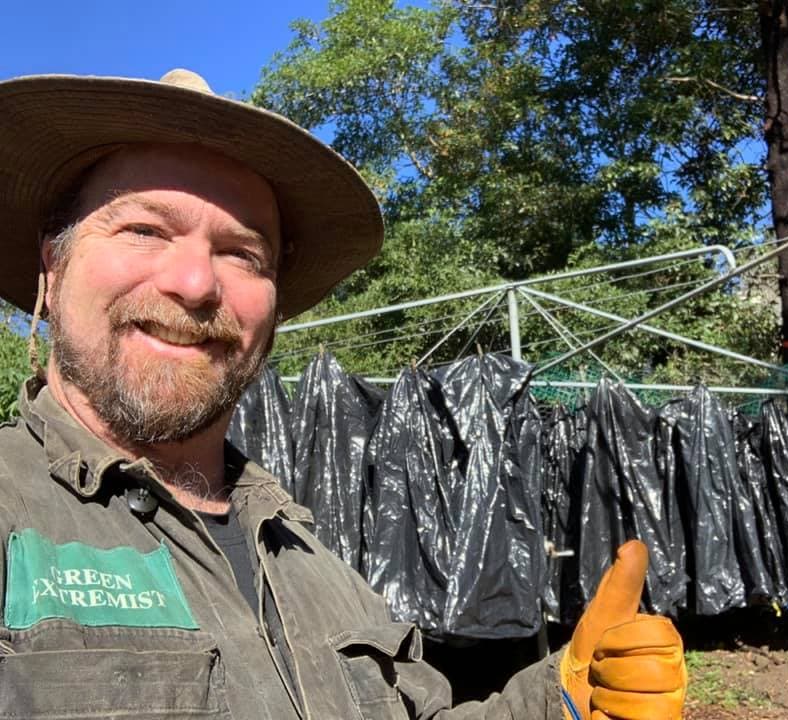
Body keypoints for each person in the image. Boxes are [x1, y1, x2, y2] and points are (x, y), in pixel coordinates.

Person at [0, 69, 687, 719]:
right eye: (145, 229)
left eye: (242, 252)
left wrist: (559, 703)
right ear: (53, 266)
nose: (196, 283)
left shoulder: (304, 553)